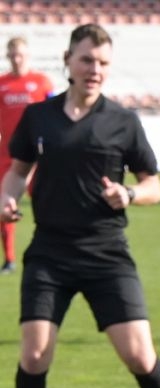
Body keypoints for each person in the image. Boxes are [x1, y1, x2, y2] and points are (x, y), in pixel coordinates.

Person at [1, 24, 160, 388]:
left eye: (102, 63)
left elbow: (154, 185)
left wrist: (130, 195)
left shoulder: (123, 121)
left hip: (107, 254)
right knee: (34, 354)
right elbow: (18, 171)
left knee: (139, 356)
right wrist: (7, 197)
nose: (95, 70)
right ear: (68, 61)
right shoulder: (39, 117)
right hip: (50, 252)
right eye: (86, 60)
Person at [0, 37, 53, 273]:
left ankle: (51, 253)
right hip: (7, 156)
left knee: (46, 204)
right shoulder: (1, 84)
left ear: (27, 56)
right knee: (5, 206)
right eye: (12, 55)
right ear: (7, 56)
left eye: (20, 54)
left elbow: (55, 112)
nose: (16, 59)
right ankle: (9, 259)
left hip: (39, 157)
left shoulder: (41, 82)